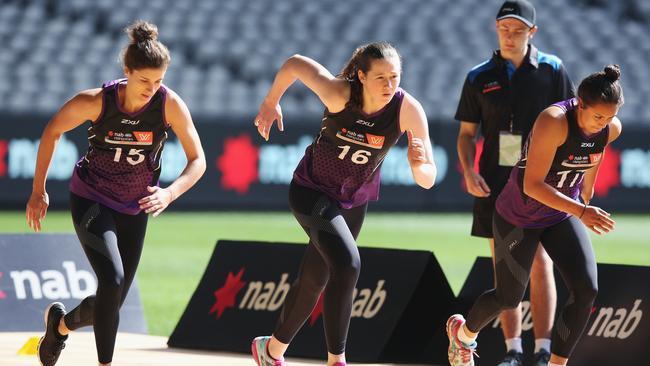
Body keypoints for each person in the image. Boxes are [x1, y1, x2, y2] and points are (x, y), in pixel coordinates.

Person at [25, 20, 206, 366]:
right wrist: (38, 191)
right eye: (143, 81)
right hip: (91, 197)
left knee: (113, 299)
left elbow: (198, 160)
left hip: (134, 206)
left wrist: (170, 194)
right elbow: (52, 131)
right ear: (127, 70)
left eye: (158, 81)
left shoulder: (169, 105)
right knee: (114, 279)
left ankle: (59, 325)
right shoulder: (96, 101)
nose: (151, 89)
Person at [250, 42, 437, 366]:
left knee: (315, 279)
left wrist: (418, 164)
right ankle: (337, 360)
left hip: (353, 201)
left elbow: (428, 178)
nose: (389, 85)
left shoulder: (408, 109)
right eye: (380, 77)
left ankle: (272, 350)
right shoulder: (339, 94)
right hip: (311, 192)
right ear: (361, 76)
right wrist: (271, 101)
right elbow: (295, 62)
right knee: (348, 265)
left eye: (394, 77)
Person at [446, 64, 624, 366]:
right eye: (597, 117)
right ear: (580, 104)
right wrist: (581, 210)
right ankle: (462, 335)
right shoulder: (553, 121)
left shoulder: (610, 127)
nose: (603, 124)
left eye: (609, 117)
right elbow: (532, 186)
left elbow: (596, 150)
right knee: (508, 298)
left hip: (559, 215)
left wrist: (587, 191)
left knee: (586, 289)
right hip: (519, 215)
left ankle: (555, 363)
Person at [455, 1, 574, 364]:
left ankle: (541, 350)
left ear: (532, 32)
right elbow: (465, 135)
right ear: (496, 29)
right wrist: (468, 172)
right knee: (504, 269)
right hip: (494, 183)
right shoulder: (478, 76)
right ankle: (512, 351)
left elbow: (571, 123)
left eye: (518, 29)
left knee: (539, 262)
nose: (509, 35)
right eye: (504, 28)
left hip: (539, 184)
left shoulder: (553, 69)